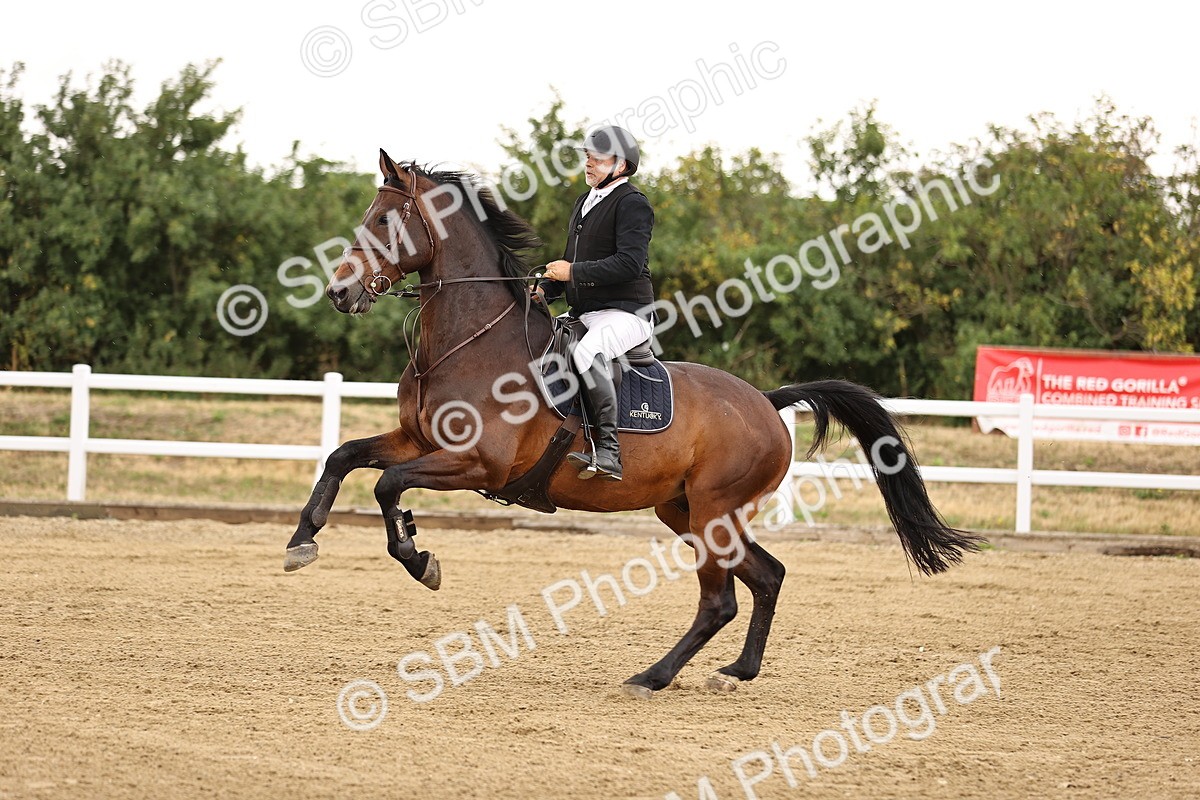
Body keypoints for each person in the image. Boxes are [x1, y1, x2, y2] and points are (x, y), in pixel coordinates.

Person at [535, 125, 655, 482]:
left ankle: (608, 452)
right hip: (585, 312)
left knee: (587, 353)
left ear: (620, 166)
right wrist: (544, 292)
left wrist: (571, 272)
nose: (588, 162)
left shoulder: (633, 203)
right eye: (587, 156)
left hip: (626, 312)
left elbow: (629, 263)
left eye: (597, 158)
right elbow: (569, 260)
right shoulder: (585, 201)